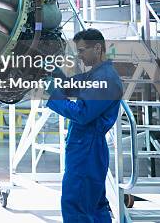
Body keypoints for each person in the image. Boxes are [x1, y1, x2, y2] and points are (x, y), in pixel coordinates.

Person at [45, 28, 123, 223]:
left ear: (97, 48)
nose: (79, 56)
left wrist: (53, 94)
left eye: (81, 51)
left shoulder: (105, 79)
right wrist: (53, 72)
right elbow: (70, 85)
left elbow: (82, 114)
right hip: (87, 148)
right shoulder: (96, 75)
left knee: (76, 205)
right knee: (94, 206)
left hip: (86, 149)